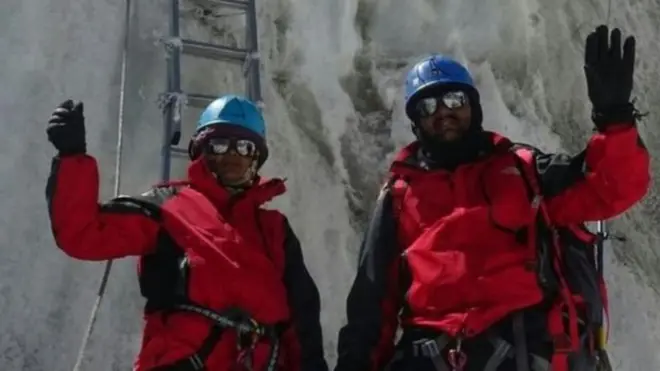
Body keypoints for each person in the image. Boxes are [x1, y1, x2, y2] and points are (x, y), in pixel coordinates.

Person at [334, 25, 650, 371]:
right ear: (415, 122)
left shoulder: (525, 171)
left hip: (520, 350)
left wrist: (615, 118)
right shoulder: (399, 195)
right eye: (427, 107)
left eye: (454, 100)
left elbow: (611, 188)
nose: (442, 112)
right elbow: (371, 302)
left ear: (474, 105)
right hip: (429, 355)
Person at [45, 94, 329, 371]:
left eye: (244, 147)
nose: (231, 155)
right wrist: (72, 158)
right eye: (219, 145)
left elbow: (302, 320)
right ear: (201, 152)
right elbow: (84, 232)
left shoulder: (275, 229)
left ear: (256, 159)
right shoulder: (169, 206)